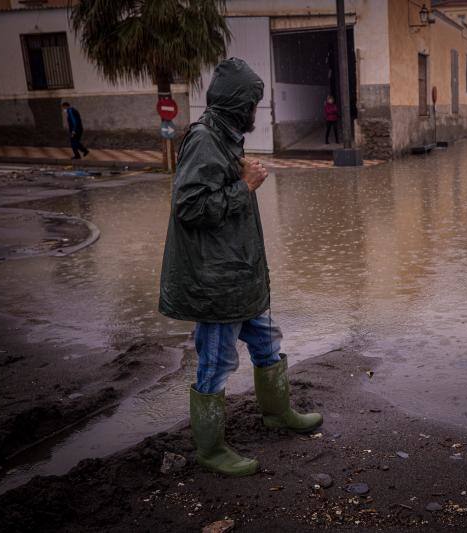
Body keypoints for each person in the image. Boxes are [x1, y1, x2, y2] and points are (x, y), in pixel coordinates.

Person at [158, 58, 322, 477]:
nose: (256, 111)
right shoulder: (205, 141)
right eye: (252, 103)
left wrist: (239, 182)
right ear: (237, 104)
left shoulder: (227, 137)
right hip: (216, 283)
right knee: (215, 361)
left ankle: (277, 413)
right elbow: (189, 206)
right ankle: (211, 449)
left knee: (267, 341)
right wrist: (244, 186)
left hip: (239, 277)